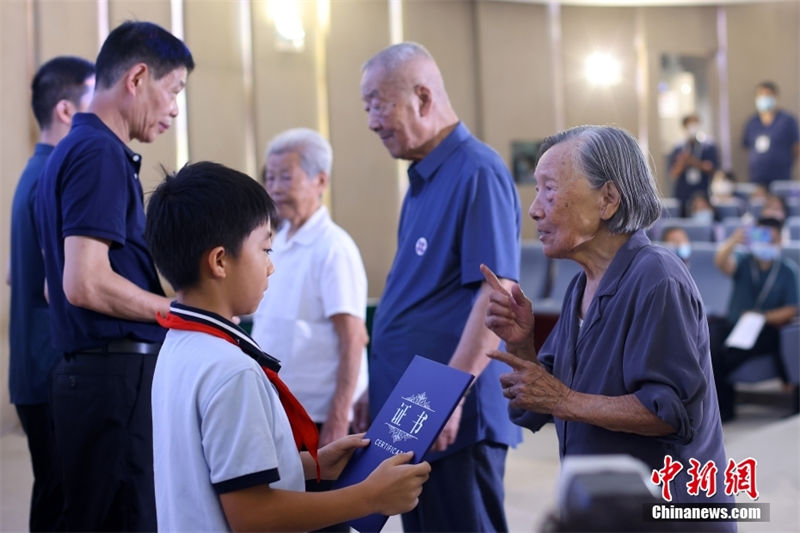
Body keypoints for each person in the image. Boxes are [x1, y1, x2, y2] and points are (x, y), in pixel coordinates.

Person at [144, 161, 430, 532]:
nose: (270, 268)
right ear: (219, 261)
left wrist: (311, 465)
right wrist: (369, 497)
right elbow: (253, 516)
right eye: (265, 249)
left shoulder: (181, 345)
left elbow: (217, 470)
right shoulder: (232, 371)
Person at [483, 125, 734, 515]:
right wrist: (521, 343)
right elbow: (537, 403)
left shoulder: (657, 277)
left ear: (608, 199)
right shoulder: (581, 286)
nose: (535, 209)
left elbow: (670, 412)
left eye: (550, 189)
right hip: (607, 509)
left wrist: (563, 399)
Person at [355, 42, 522, 532]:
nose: (370, 121)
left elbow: (497, 292)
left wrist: (446, 397)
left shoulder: (478, 171)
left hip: (451, 415)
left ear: (423, 98)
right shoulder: (423, 181)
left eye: (377, 103)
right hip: (413, 407)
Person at [34, 21, 194, 531]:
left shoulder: (72, 151)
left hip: (92, 378)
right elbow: (82, 282)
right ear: (138, 77)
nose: (174, 108)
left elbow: (53, 282)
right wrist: (176, 312)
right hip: (113, 383)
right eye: (174, 91)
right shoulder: (100, 153)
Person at [251, 128, 369, 531]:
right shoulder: (276, 241)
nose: (275, 187)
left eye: (286, 177)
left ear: (320, 181)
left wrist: (339, 417)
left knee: (322, 522)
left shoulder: (333, 247)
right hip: (280, 413)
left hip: (318, 417)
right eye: (270, 177)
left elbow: (353, 337)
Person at [8, 55, 95, 532]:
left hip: (30, 367)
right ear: (66, 111)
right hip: (51, 368)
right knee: (63, 507)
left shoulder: (33, 172)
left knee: (53, 499)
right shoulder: (54, 175)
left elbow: (12, 273)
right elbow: (57, 281)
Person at [711, 217, 799, 421]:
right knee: (710, 346)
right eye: (762, 237)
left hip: (765, 328)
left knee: (727, 357)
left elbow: (792, 309)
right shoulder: (744, 261)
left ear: (780, 241)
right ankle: (721, 408)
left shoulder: (787, 270)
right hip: (734, 324)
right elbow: (721, 262)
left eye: (771, 239)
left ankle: (725, 409)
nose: (766, 243)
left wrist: (762, 316)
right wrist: (734, 240)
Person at [741, 81, 799, 189]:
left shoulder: (787, 120)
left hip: (781, 177)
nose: (764, 98)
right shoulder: (752, 122)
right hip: (757, 179)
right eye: (761, 95)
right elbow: (748, 148)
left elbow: (796, 148)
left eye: (767, 95)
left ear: (775, 97)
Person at [668, 113, 719, 217]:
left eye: (695, 123)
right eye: (690, 124)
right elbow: (674, 173)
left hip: (703, 193)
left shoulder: (708, 146)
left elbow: (712, 168)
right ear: (684, 127)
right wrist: (683, 162)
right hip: (683, 195)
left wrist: (692, 162)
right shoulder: (678, 148)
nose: (693, 127)